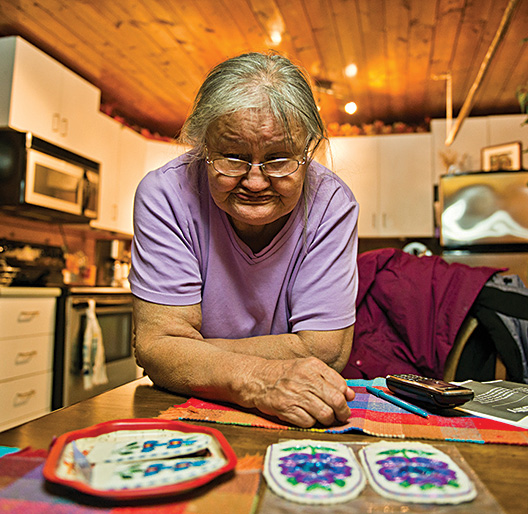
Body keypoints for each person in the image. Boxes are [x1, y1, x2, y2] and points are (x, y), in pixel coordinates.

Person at [129, 52, 359, 428]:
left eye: (279, 158)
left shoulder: (332, 203)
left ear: (308, 148)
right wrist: (259, 378)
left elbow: (325, 350)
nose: (255, 182)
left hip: (295, 412)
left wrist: (186, 353)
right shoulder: (165, 194)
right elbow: (157, 349)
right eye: (233, 156)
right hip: (183, 411)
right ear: (203, 147)